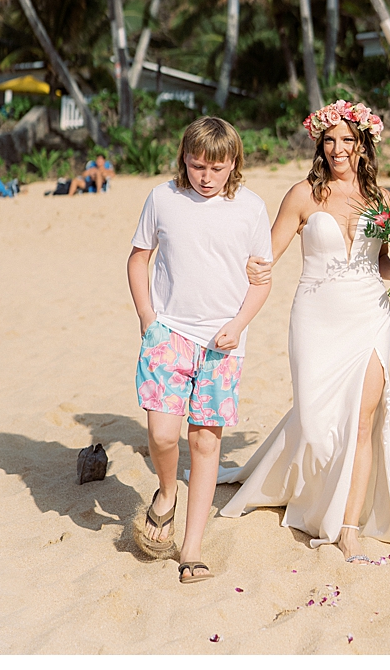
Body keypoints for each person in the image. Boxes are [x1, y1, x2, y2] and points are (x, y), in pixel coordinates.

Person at [222, 101, 390, 563]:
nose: (338, 149)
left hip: (369, 314)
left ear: (363, 145)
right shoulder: (301, 196)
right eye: (330, 140)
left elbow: (386, 268)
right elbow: (264, 260)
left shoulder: (383, 200)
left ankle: (349, 526)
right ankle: (303, 490)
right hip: (315, 318)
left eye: (347, 140)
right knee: (315, 427)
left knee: (362, 422)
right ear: (320, 143)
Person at [126, 117, 271, 583]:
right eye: (196, 166)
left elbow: (261, 281)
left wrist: (239, 324)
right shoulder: (163, 198)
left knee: (205, 441)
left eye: (217, 167)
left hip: (222, 343)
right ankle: (167, 492)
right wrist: (148, 317)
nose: (206, 177)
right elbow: (138, 257)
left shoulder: (251, 208)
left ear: (234, 163)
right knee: (165, 435)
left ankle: (191, 549)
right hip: (168, 334)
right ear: (183, 160)